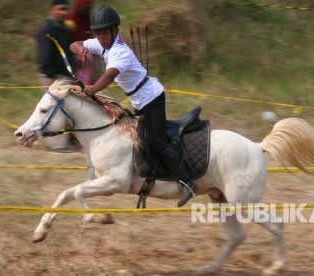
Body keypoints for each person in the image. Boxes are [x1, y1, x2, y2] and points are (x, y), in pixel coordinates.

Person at [69, 6, 198, 207]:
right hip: (141, 100)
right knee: (142, 141)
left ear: (114, 31)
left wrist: (93, 89)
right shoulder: (102, 44)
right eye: (98, 33)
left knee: (159, 142)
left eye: (105, 32)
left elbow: (109, 75)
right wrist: (80, 49)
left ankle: (187, 183)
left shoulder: (120, 52)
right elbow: (74, 44)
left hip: (151, 97)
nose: (101, 37)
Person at [36, 0, 81, 152]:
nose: (63, 12)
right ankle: (56, 145)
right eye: (60, 9)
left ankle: (67, 142)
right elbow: (44, 55)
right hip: (53, 76)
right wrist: (49, 75)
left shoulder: (65, 29)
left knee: (66, 110)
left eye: (65, 9)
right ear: (52, 10)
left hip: (65, 75)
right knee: (53, 110)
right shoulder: (46, 30)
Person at [68, 0, 95, 85]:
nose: (86, 8)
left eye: (88, 5)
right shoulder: (70, 21)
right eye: (84, 6)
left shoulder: (89, 21)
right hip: (74, 58)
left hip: (87, 59)